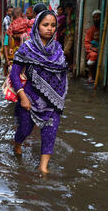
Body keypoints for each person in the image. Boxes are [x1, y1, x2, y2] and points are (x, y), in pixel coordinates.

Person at [10, 10, 68, 174]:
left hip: (53, 100)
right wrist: (22, 96)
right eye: (45, 25)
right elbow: (14, 74)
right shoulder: (26, 48)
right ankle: (17, 144)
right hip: (30, 97)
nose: (50, 28)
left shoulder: (57, 49)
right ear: (37, 26)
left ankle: (43, 168)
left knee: (50, 132)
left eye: (53, 25)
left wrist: (59, 96)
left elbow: (62, 74)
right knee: (25, 129)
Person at [84, 9, 101, 83]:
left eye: (97, 17)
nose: (96, 19)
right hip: (93, 50)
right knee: (93, 55)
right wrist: (93, 49)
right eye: (94, 17)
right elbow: (87, 43)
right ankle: (90, 75)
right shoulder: (90, 30)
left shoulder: (104, 29)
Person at [63, 3, 76, 72]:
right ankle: (68, 65)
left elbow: (69, 22)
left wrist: (69, 13)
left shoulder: (73, 15)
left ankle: (71, 64)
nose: (66, 10)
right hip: (67, 34)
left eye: (67, 9)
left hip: (71, 34)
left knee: (66, 51)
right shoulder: (67, 16)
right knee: (66, 51)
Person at [2, 5, 14, 76]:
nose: (11, 12)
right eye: (10, 11)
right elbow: (5, 46)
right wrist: (7, 60)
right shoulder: (6, 20)